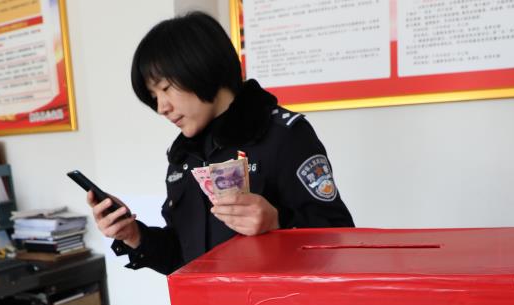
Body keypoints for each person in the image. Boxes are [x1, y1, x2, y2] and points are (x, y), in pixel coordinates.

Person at [89, 11, 354, 275]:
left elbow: (338, 237)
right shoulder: (183, 156)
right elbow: (184, 259)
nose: (161, 107)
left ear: (201, 66)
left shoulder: (282, 136)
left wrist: (278, 222)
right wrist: (133, 235)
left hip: (274, 301)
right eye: (153, 95)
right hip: (201, 302)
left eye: (166, 88)